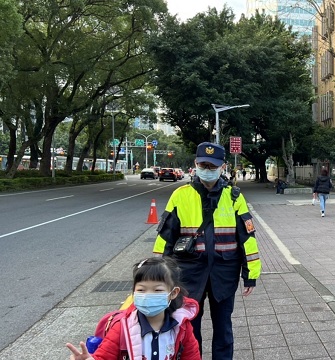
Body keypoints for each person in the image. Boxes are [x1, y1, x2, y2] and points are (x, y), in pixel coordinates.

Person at [152, 142, 262, 359]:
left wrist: (251, 275)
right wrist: (156, 276)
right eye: (204, 165)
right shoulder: (180, 195)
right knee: (189, 329)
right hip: (188, 273)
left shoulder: (234, 196)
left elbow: (247, 238)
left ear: (222, 167)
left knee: (224, 329)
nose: (208, 170)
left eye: (213, 166)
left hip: (225, 272)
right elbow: (164, 239)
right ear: (195, 164)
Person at [66, 257, 201, 360]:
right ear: (133, 292)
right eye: (141, 289)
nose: (148, 295)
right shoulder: (122, 327)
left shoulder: (182, 327)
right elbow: (104, 356)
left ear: (173, 293)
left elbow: (192, 356)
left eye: (157, 290)